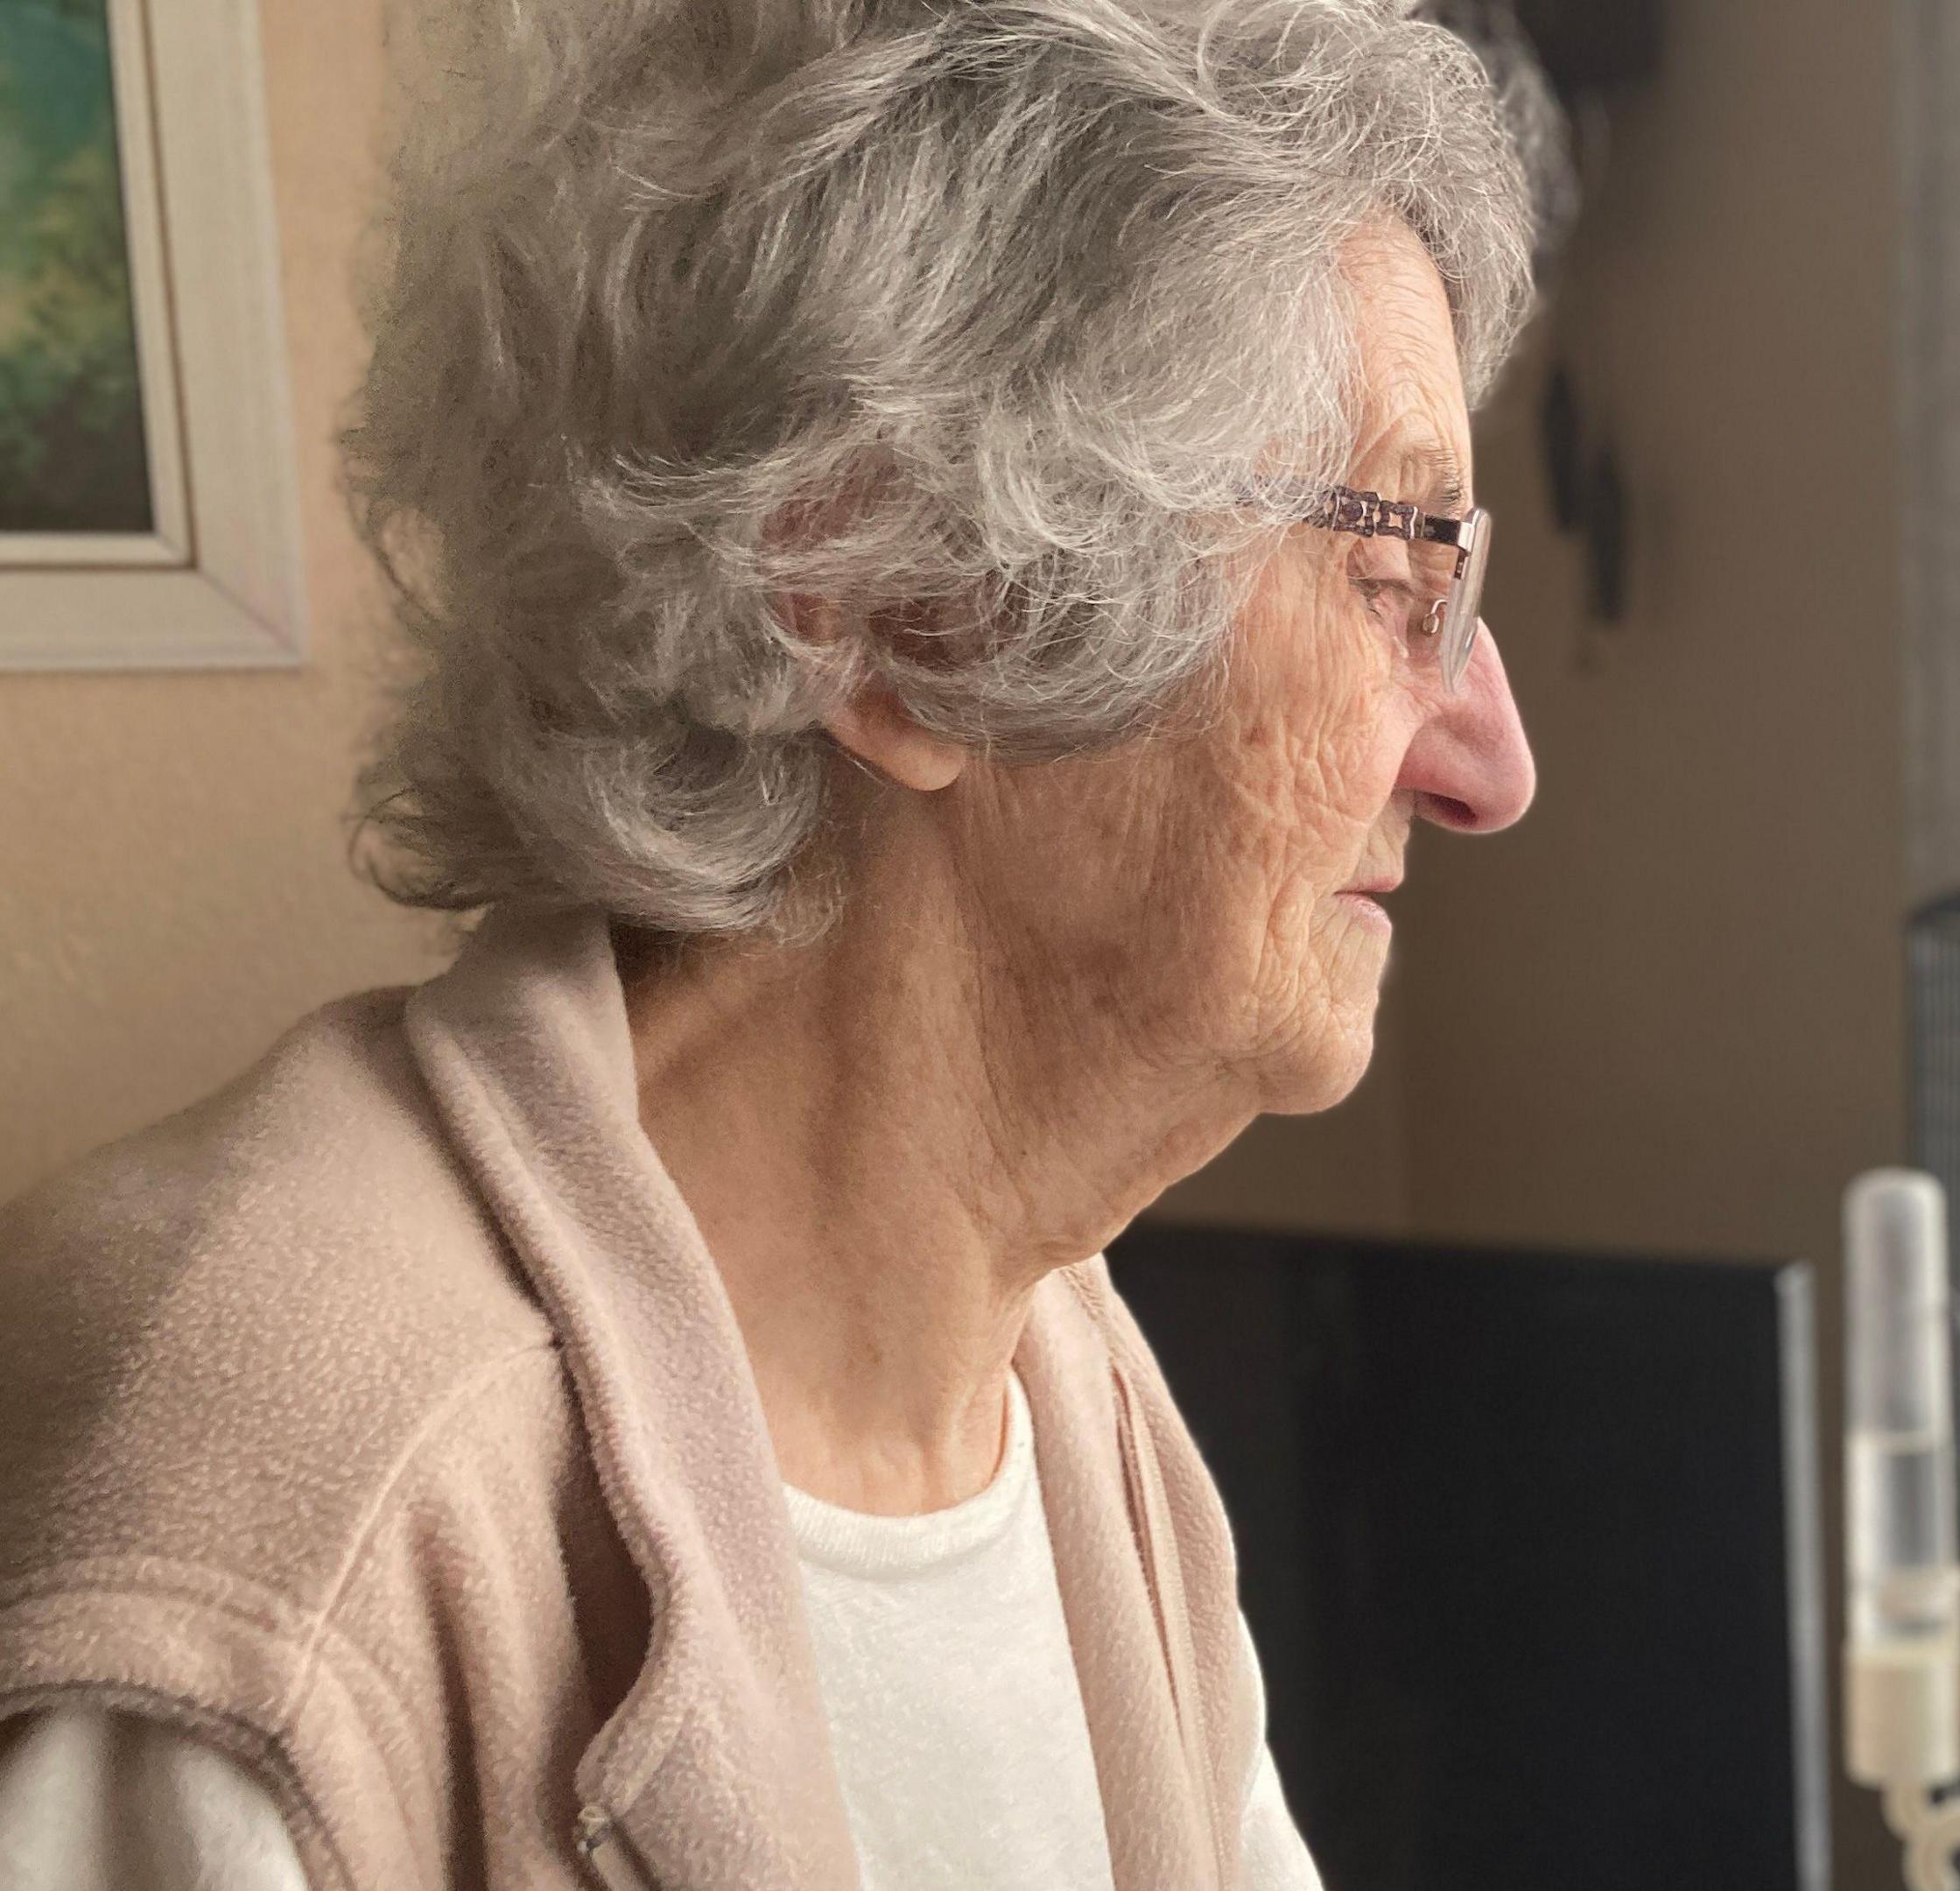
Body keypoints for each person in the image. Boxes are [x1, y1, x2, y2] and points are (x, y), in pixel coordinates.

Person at [0, 1, 1536, 1885]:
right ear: (904, 607)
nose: (1491, 762)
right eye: (1400, 582)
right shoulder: (284, 1553)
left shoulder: (1054, 1379)